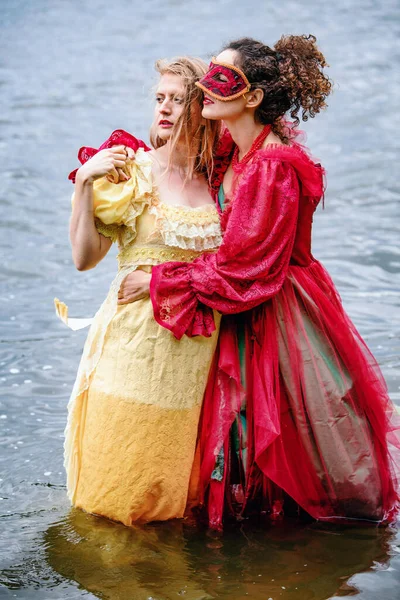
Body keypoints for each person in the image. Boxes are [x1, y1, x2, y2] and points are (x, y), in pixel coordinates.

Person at [127, 35, 400, 529]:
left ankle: (289, 535)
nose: (204, 88)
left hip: (277, 308)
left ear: (252, 98)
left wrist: (157, 282)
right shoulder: (237, 146)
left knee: (286, 428)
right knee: (239, 429)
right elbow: (179, 155)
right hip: (246, 301)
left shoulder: (272, 167)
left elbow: (243, 268)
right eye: (207, 75)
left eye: (221, 80)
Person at [63, 57, 223, 526]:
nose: (165, 109)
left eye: (178, 99)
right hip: (132, 344)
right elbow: (84, 258)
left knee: (172, 488)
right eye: (159, 99)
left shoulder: (219, 181)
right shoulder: (133, 171)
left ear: (204, 109)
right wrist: (86, 185)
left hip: (195, 353)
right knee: (119, 482)